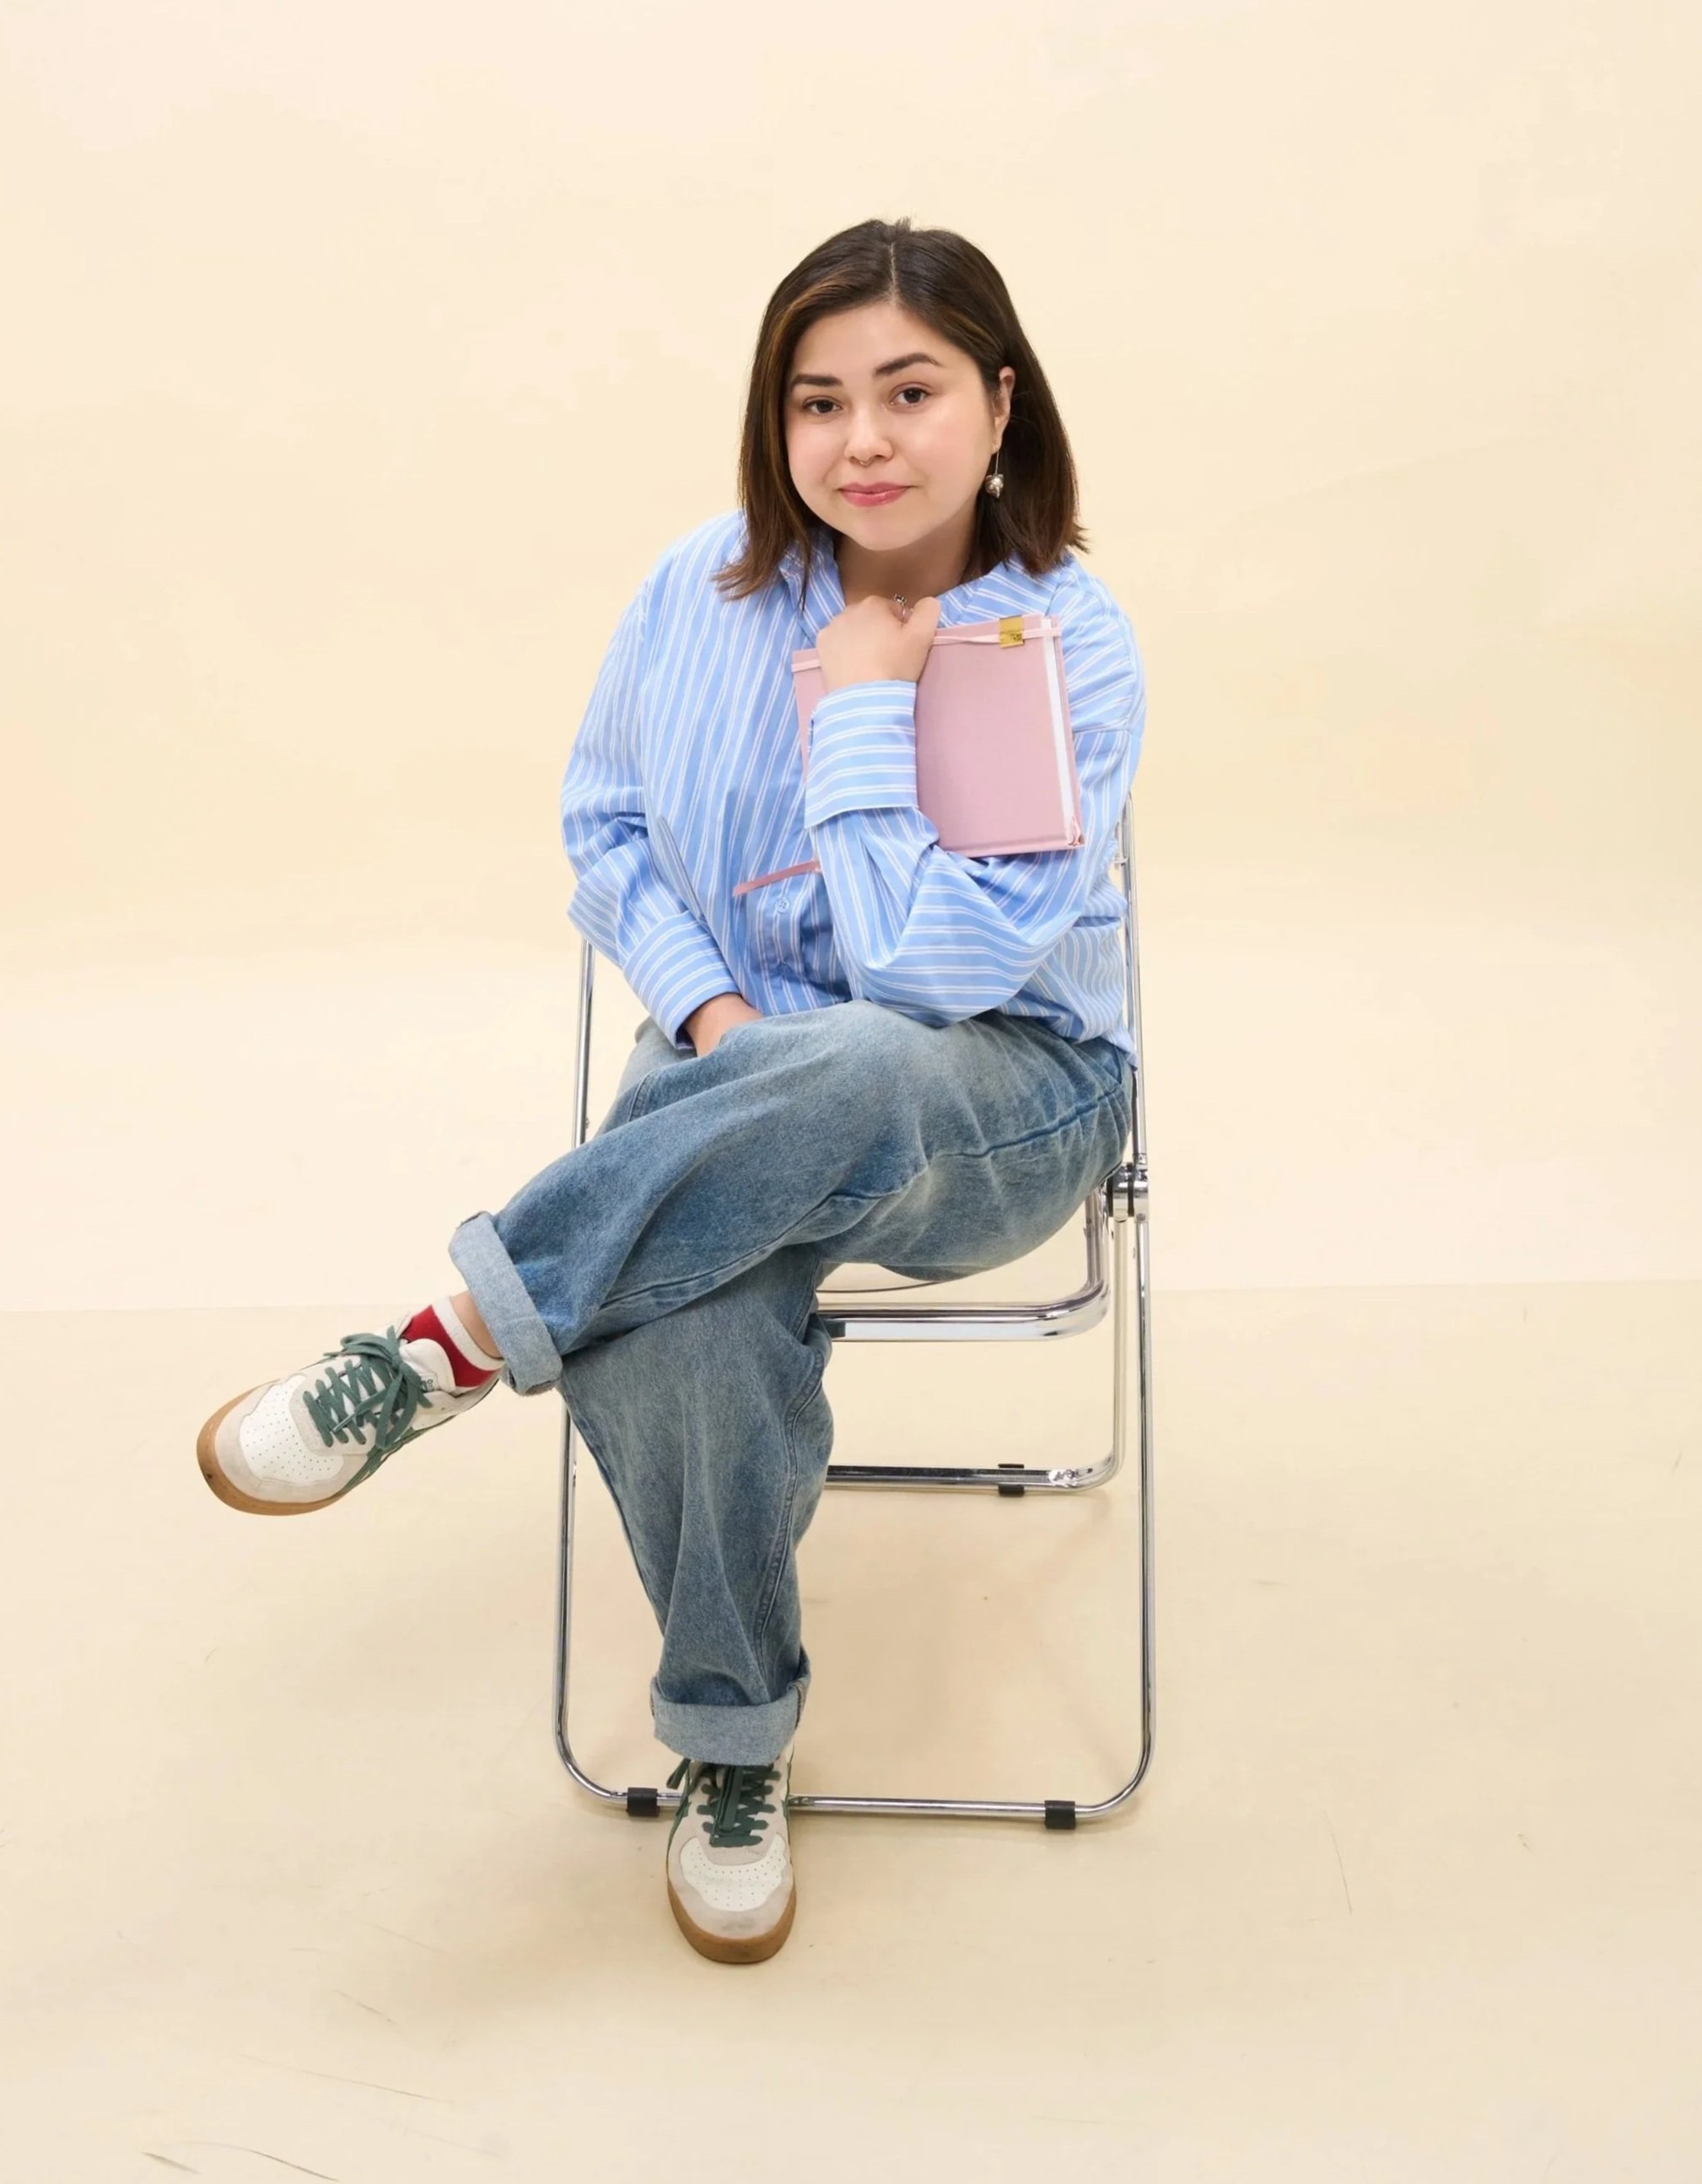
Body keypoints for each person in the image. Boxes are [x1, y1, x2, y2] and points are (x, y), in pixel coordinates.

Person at [194, 215, 1145, 1965]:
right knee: (681, 1313)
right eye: (815, 400)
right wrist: (709, 1014)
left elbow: (934, 981)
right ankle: (730, 1738)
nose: (860, 439)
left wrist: (863, 707)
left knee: (854, 1050)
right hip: (722, 1075)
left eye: (909, 390)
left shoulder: (1047, 646)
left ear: (999, 405)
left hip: (993, 1099)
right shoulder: (694, 587)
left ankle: (451, 1338)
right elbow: (607, 826)